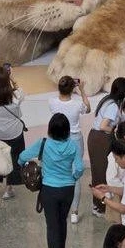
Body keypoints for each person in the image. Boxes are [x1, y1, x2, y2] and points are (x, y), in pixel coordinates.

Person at [19, 113, 83, 248]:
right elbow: (80, 168)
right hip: (68, 189)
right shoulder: (73, 146)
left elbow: (22, 157)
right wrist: (73, 177)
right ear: (67, 130)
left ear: (50, 129)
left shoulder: (44, 143)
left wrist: (22, 164)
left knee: (52, 225)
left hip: (49, 189)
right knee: (62, 221)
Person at [48, 75, 90, 223]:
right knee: (75, 175)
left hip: (57, 141)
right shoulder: (77, 104)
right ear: (73, 88)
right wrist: (82, 90)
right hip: (75, 139)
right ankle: (74, 212)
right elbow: (88, 108)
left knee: (60, 173)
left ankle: (62, 208)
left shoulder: (52, 102)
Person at [87, 76, 125, 217]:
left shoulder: (108, 101)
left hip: (95, 138)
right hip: (101, 139)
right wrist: (112, 129)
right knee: (101, 172)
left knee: (98, 171)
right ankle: (100, 206)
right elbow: (103, 126)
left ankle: (97, 204)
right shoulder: (113, 106)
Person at [0, 65, 26, 201]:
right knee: (14, 159)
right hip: (14, 132)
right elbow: (20, 92)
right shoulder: (16, 95)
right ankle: (9, 189)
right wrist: (13, 79)